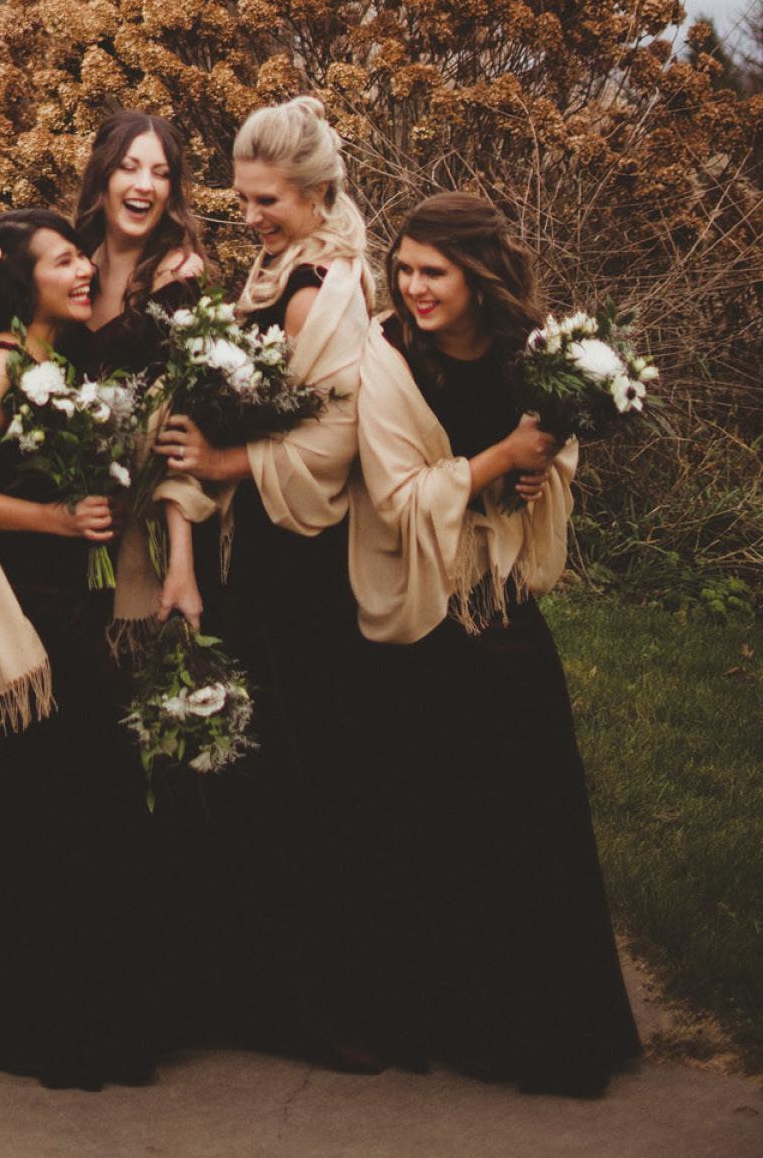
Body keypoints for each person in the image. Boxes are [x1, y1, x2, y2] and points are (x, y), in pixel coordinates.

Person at [350, 191, 639, 1095]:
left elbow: (554, 455)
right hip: (425, 614)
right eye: (403, 268)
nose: (413, 286)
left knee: (528, 814)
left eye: (432, 271)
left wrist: (536, 474)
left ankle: (545, 1020)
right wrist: (498, 460)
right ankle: (454, 1014)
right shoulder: (389, 356)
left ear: (477, 274)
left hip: (503, 602)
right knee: (440, 818)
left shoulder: (532, 353)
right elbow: (396, 495)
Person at [0, 210, 169, 1091]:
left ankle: (90, 1009)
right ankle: (46, 1024)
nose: (84, 269)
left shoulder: (68, 362)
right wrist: (49, 518)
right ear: (21, 280)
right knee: (49, 805)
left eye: (81, 257)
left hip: (80, 605)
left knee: (90, 803)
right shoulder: (0, 367)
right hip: (27, 615)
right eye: (62, 261)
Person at [153, 91, 388, 1068]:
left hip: (304, 563)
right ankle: (254, 986)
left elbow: (336, 436)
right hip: (257, 551)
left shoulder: (319, 287)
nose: (250, 216)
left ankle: (316, 1004)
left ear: (316, 194)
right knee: (253, 760)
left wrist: (226, 462)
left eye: (268, 201)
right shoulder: (278, 270)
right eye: (242, 198)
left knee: (297, 767)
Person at [71, 110, 213, 627]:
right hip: (76, 520)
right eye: (129, 168)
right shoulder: (73, 267)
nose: (144, 185)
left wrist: (181, 560)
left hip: (149, 527)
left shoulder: (178, 279)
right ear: (102, 177)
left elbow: (179, 426)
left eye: (160, 173)